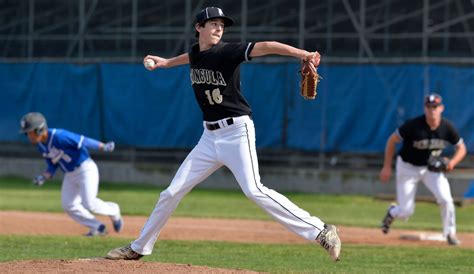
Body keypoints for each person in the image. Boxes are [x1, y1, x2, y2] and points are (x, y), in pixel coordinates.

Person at [106, 6, 341, 262]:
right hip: (208, 138)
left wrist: (302, 54)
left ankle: (321, 231)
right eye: (213, 23)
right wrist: (166, 63)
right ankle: (139, 247)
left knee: (254, 190)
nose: (219, 28)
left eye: (221, 24)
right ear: (199, 28)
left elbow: (268, 45)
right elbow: (191, 56)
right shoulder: (197, 53)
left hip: (236, 133)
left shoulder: (227, 52)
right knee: (171, 193)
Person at [379, 93, 466, 245]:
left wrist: (452, 163)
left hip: (430, 168)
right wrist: (387, 166)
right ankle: (393, 211)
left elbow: (461, 148)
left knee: (446, 200)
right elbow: (392, 141)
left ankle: (450, 233)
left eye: (435, 106)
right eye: (429, 106)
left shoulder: (447, 127)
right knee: (406, 211)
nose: (432, 109)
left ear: (441, 108)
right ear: (424, 108)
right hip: (408, 167)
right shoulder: (413, 125)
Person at [19, 112, 123, 236]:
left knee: (89, 203)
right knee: (68, 204)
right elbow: (53, 164)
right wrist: (44, 176)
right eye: (27, 132)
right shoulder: (41, 146)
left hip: (85, 169)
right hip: (70, 174)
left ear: (40, 129)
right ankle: (98, 227)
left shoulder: (60, 136)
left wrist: (103, 146)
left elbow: (83, 140)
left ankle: (114, 210)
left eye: (30, 131)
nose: (28, 135)